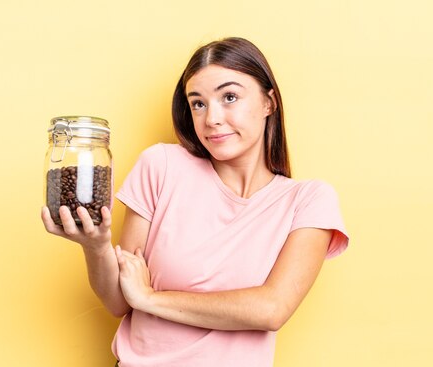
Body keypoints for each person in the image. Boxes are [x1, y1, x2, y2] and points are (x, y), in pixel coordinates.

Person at [41, 37, 349, 367]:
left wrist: (150, 299)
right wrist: (97, 247)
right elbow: (120, 302)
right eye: (198, 103)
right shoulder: (161, 166)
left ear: (268, 102)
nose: (212, 118)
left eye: (229, 97)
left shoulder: (308, 200)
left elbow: (270, 309)